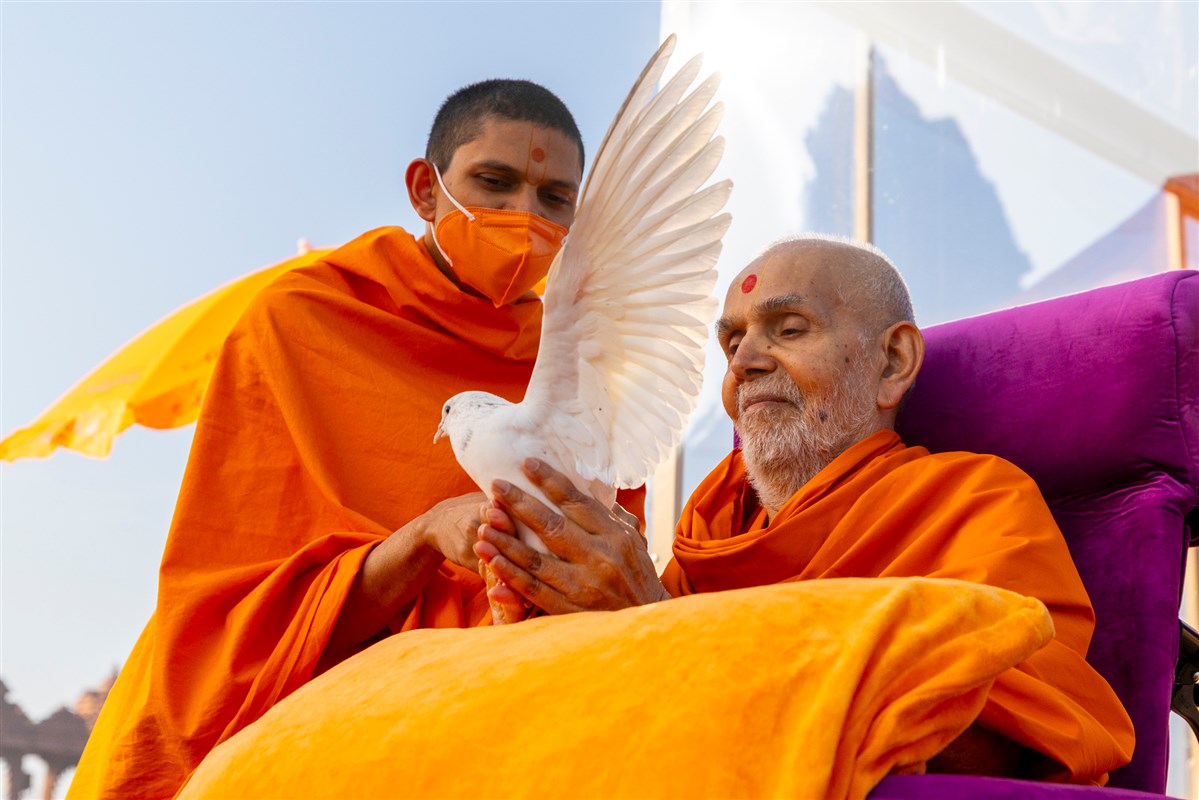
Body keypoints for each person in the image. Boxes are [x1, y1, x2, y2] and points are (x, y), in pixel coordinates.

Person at [69, 80, 644, 800]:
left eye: (554, 199)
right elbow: (225, 617)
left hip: (498, 739)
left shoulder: (584, 365)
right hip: (296, 743)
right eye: (493, 184)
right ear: (425, 191)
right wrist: (424, 538)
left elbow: (602, 580)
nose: (523, 218)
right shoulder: (300, 322)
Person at [475, 235, 1136, 784]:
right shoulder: (710, 533)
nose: (746, 365)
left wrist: (652, 625)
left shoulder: (970, 503)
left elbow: (987, 745)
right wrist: (549, 609)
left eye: (788, 330)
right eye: (730, 344)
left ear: (892, 362)